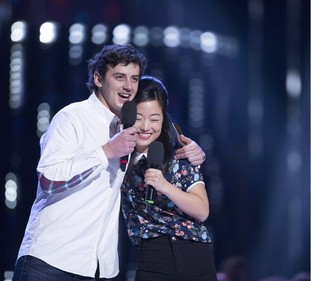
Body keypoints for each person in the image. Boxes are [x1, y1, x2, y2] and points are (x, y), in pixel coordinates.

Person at [12, 44, 206, 281]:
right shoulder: (72, 117)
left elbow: (162, 141)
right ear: (98, 78)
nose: (128, 86)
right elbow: (49, 179)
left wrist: (194, 151)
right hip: (51, 260)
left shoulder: (129, 129)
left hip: (97, 267)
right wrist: (105, 152)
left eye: (134, 79)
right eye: (119, 77)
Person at [121, 76, 217, 281]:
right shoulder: (119, 157)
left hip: (195, 252)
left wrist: (164, 186)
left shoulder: (180, 156)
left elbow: (202, 211)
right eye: (138, 118)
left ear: (164, 120)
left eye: (154, 119)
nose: (146, 127)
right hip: (152, 254)